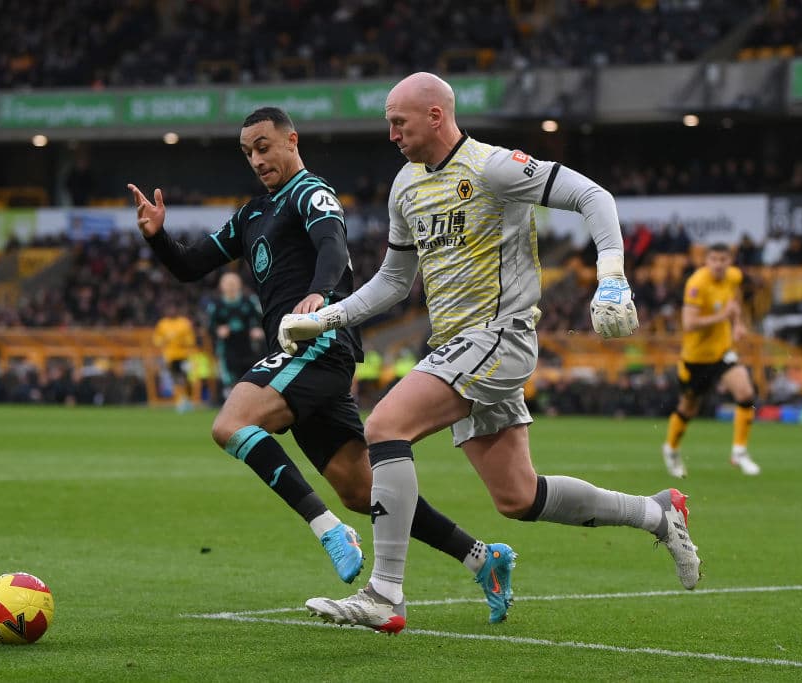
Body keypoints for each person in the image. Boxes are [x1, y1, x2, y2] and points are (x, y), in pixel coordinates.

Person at [280, 72, 701, 634]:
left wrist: (612, 276)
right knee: (517, 496)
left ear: (435, 115)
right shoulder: (405, 186)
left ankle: (384, 592)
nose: (390, 134)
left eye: (398, 122)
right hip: (457, 346)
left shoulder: (493, 167)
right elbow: (393, 281)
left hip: (498, 336)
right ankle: (656, 513)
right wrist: (327, 317)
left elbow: (592, 196)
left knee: (385, 426)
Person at [127, 106, 517, 623]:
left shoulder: (311, 192)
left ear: (292, 139)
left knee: (231, 424)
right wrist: (157, 235)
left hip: (316, 344)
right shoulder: (250, 215)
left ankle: (329, 529)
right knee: (362, 489)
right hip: (302, 358)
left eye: (264, 147)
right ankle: (482, 559)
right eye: (248, 152)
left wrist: (320, 295)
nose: (256, 159)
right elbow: (188, 265)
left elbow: (332, 244)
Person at [662, 242, 760, 478]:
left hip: (722, 352)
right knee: (689, 408)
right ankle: (671, 450)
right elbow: (689, 323)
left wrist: (738, 324)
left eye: (723, 259)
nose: (718, 264)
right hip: (695, 358)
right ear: (706, 261)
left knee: (745, 392)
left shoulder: (733, 277)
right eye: (714, 259)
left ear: (730, 261)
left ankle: (739, 451)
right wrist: (722, 317)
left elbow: (734, 302)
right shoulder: (697, 284)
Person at [206, 271, 265, 401]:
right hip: (227, 349)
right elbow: (209, 327)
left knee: (252, 378)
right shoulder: (216, 305)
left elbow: (262, 319)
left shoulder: (249, 301)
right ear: (221, 286)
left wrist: (258, 329)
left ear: (239, 284)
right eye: (227, 283)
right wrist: (217, 330)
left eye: (234, 282)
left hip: (249, 347)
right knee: (230, 380)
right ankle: (232, 408)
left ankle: (252, 405)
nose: (231, 285)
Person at [152, 302, 197, 412]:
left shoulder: (184, 323)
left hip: (184, 356)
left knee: (186, 378)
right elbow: (156, 340)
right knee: (176, 379)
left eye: (173, 308)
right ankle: (180, 401)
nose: (171, 311)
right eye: (169, 309)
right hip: (170, 356)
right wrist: (165, 340)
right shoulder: (162, 324)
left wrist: (182, 341)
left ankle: (188, 400)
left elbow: (191, 339)